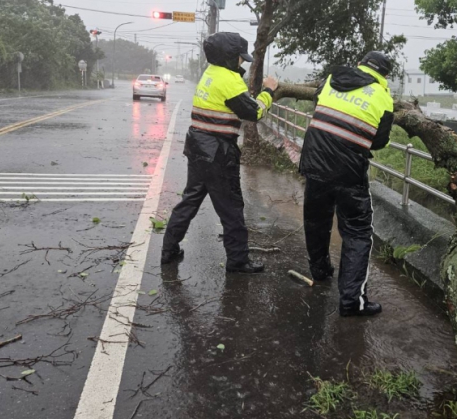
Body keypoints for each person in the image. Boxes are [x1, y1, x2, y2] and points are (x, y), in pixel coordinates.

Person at [161, 32, 278, 273]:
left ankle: (168, 250)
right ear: (229, 57)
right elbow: (253, 113)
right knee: (231, 207)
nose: (242, 62)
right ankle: (238, 261)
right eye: (239, 57)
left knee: (190, 199)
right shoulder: (229, 80)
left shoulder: (210, 73)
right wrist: (269, 92)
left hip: (197, 146)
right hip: (218, 152)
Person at [298, 51, 395, 316]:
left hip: (314, 160)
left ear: (361, 64)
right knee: (357, 232)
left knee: (316, 219)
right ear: (385, 75)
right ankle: (352, 302)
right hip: (348, 170)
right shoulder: (383, 97)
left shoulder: (331, 79)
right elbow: (379, 142)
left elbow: (319, 105)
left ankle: (319, 270)